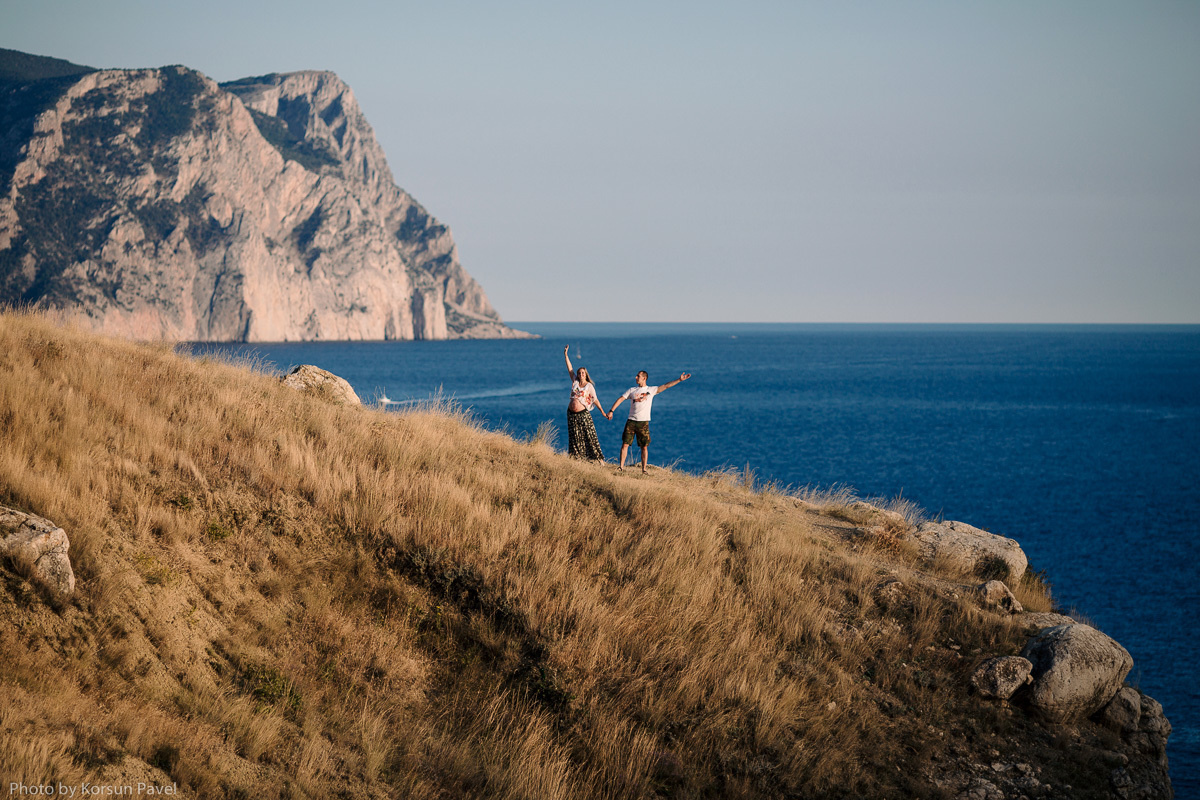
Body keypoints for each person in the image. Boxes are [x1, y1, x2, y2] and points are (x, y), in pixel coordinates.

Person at [608, 368, 691, 473]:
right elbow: (621, 399)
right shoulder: (632, 390)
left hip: (643, 422)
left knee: (644, 447)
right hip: (631, 421)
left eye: (638, 376)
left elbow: (666, 386)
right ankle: (621, 467)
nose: (636, 377)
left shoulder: (651, 390)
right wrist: (611, 411)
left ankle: (644, 469)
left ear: (644, 378)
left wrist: (679, 380)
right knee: (625, 444)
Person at [564, 345, 611, 461]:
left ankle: (598, 458)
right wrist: (566, 355)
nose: (581, 375)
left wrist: (603, 412)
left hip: (583, 414)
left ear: (586, 375)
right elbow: (570, 369)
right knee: (574, 436)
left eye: (583, 373)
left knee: (589, 435)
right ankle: (577, 458)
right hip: (571, 414)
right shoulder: (575, 382)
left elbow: (595, 399)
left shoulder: (589, 386)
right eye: (579, 373)